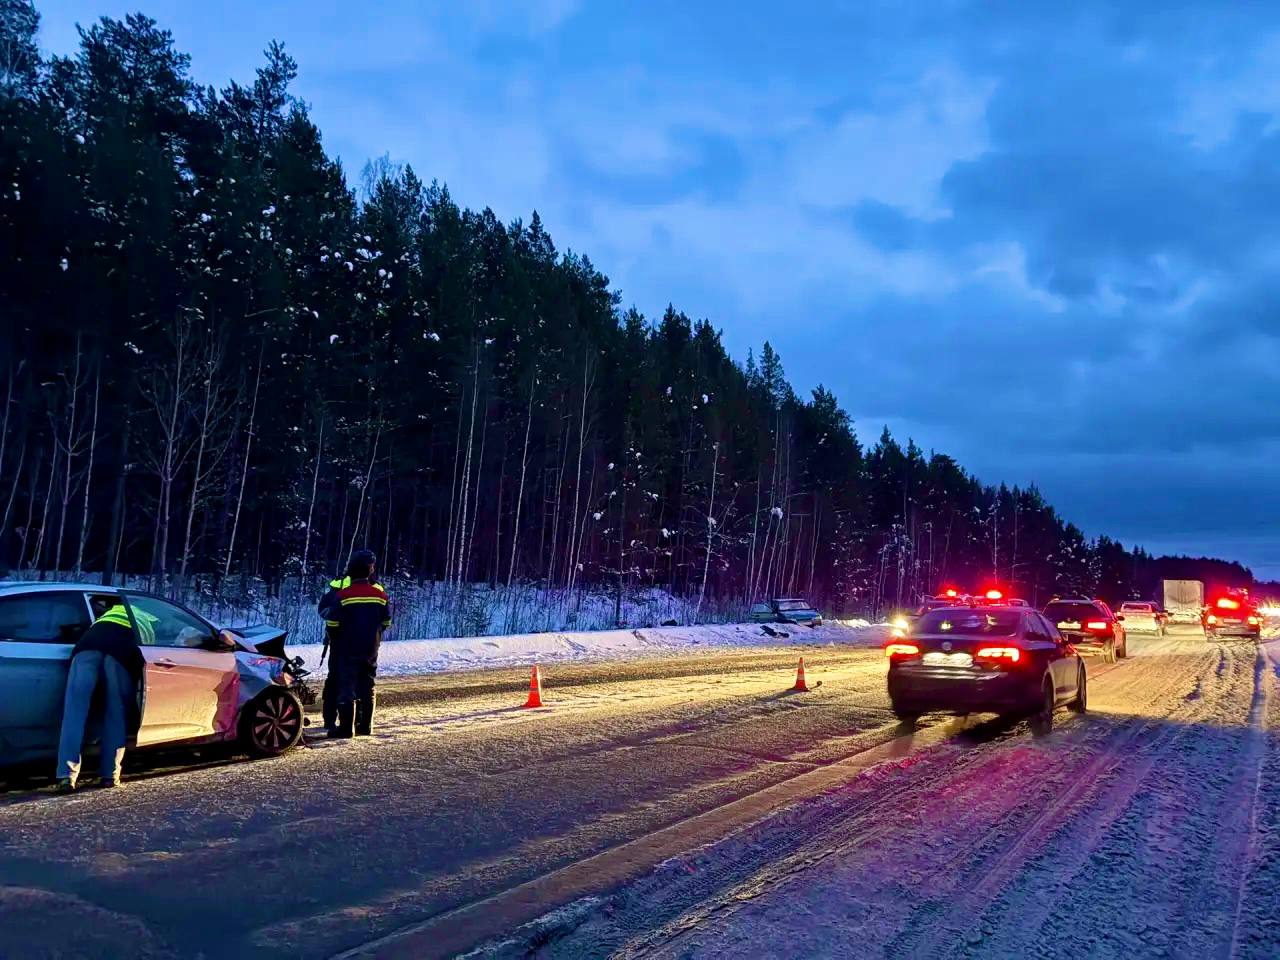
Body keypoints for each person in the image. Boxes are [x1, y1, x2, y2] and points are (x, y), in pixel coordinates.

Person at [55, 599, 147, 791]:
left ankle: (66, 776)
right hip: (120, 651)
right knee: (115, 713)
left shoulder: (113, 611)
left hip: (87, 646)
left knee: (74, 714)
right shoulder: (156, 616)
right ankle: (109, 776)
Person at [324, 549, 391, 738]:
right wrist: (374, 635)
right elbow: (386, 621)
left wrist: (337, 638)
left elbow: (332, 622)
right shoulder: (380, 595)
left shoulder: (343, 595)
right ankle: (365, 726)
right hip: (371, 648)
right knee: (368, 684)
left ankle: (346, 728)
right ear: (370, 570)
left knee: (347, 685)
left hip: (348, 647)